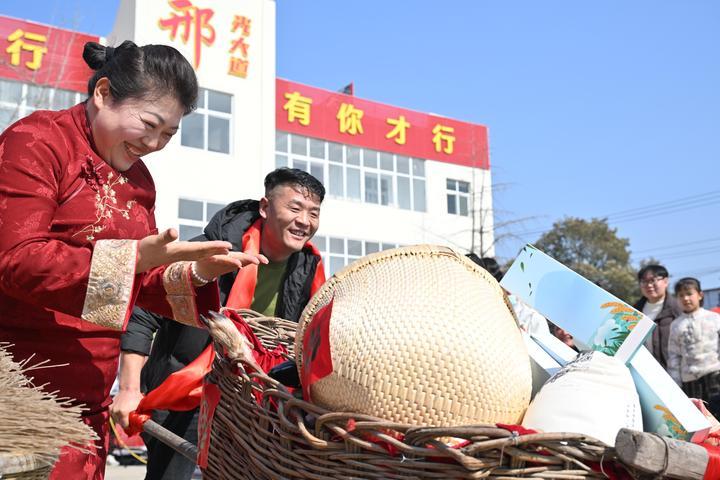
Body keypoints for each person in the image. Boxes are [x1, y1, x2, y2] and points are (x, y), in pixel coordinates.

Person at [0, 41, 265, 480]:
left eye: (168, 135)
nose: (154, 143)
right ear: (103, 93)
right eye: (148, 124)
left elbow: (138, 283)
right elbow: (15, 259)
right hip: (18, 388)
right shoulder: (38, 141)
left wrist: (198, 273)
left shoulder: (140, 182)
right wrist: (133, 257)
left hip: (88, 396)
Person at [113, 168, 326, 480]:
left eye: (313, 213)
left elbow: (310, 341)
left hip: (252, 403)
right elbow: (143, 313)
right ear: (265, 207)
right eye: (294, 208)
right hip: (185, 393)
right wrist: (129, 389)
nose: (304, 221)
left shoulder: (309, 268)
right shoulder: (210, 250)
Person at [667, 278, 720, 417]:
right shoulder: (676, 325)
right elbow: (674, 356)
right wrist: (675, 385)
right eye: (681, 295)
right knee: (701, 419)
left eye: (689, 293)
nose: (685, 298)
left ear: (700, 295)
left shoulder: (715, 318)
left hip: (715, 376)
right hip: (690, 382)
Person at [633, 264, 682, 368]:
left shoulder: (677, 308)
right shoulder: (634, 311)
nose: (649, 285)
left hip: (674, 370)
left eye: (653, 280)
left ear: (666, 281)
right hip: (644, 369)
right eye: (644, 281)